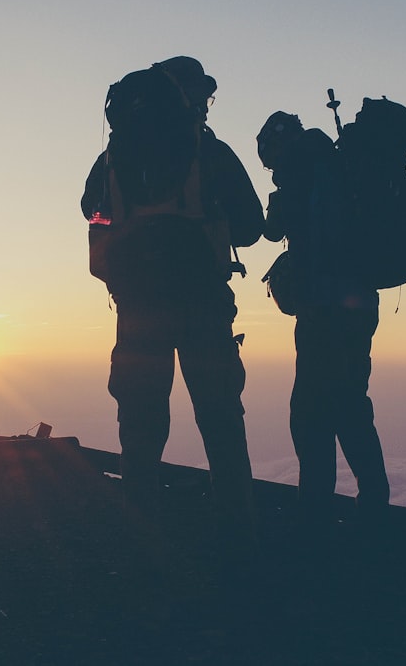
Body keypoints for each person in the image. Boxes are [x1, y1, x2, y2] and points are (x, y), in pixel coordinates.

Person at [82, 57, 265, 552]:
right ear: (191, 97)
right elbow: (251, 226)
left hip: (137, 311)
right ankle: (238, 534)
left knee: (140, 429)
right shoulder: (211, 152)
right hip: (204, 306)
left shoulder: (114, 158)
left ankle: (140, 538)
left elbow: (90, 211)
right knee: (221, 420)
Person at [257, 111, 391, 529]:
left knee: (311, 412)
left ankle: (314, 513)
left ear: (279, 145)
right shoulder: (337, 163)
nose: (271, 168)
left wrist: (278, 196)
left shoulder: (300, 169)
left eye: (269, 158)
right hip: (360, 306)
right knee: (351, 402)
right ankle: (374, 506)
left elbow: (271, 229)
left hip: (323, 310)